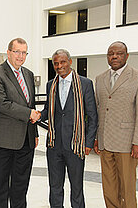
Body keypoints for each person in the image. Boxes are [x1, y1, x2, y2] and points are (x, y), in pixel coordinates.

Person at [94, 41, 138, 208]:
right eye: (111, 53)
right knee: (109, 188)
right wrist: (97, 138)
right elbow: (99, 111)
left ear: (127, 56)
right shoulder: (100, 78)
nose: (114, 56)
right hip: (105, 143)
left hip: (127, 144)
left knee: (127, 188)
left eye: (118, 53)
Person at [41, 49, 98, 208]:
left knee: (77, 187)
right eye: (56, 63)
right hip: (54, 145)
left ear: (70, 62)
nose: (59, 66)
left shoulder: (85, 84)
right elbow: (48, 110)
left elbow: (92, 116)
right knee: (55, 186)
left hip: (76, 145)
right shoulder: (50, 85)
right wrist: (36, 115)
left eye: (62, 62)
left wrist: (88, 142)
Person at [0, 38, 40, 208]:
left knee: (21, 184)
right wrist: (29, 113)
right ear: (8, 52)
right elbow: (2, 104)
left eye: (24, 52)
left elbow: (30, 104)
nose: (20, 56)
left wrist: (35, 133)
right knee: (0, 185)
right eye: (17, 51)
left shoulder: (29, 74)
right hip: (3, 140)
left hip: (26, 139)